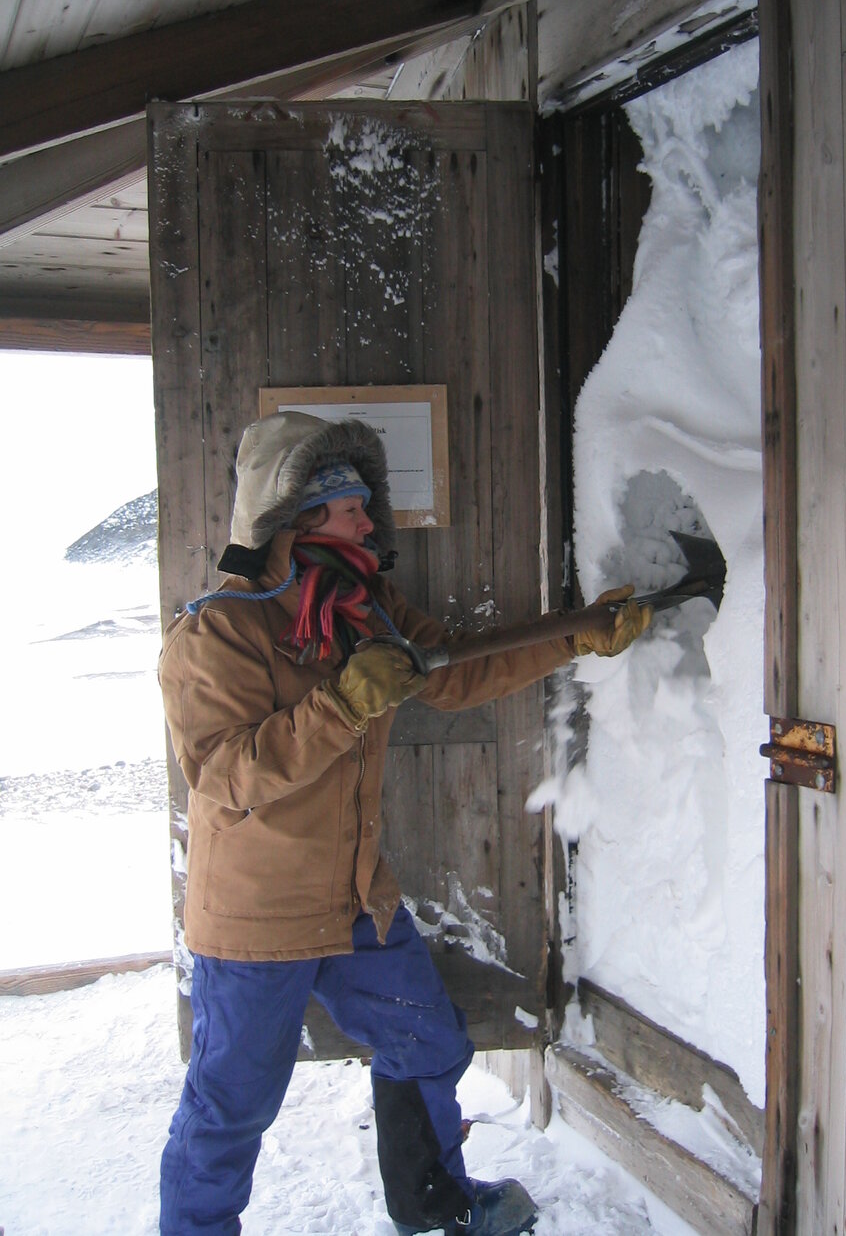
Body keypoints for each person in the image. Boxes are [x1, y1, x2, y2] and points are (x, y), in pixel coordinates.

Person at [158, 409, 652, 1236]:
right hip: (254, 921)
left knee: (428, 1042)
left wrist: (580, 633)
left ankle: (438, 1205)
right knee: (232, 1106)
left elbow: (460, 670)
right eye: (347, 502)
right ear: (296, 516)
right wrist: (343, 702)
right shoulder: (216, 632)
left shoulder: (368, 610)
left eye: (363, 501)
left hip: (354, 899)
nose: (367, 517)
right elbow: (225, 775)